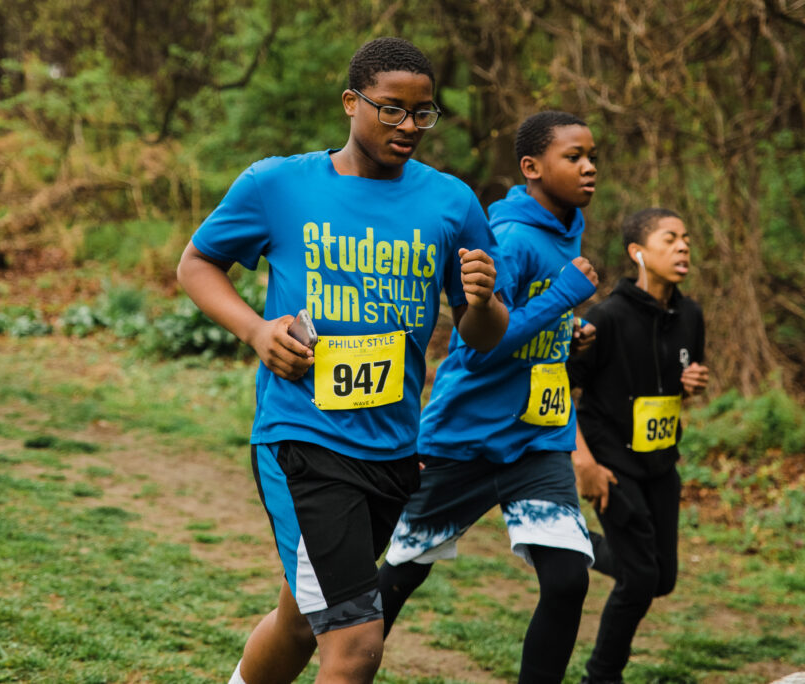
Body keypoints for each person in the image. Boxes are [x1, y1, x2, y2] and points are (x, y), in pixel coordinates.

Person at [176, 37, 509, 684]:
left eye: (423, 112)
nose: (408, 126)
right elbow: (197, 264)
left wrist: (483, 300)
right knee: (355, 644)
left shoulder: (452, 202)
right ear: (351, 103)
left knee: (302, 618)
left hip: (390, 450)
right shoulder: (278, 184)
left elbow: (485, 334)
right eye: (390, 110)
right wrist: (254, 331)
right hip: (302, 437)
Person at [377, 110, 601, 684]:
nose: (590, 167)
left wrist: (565, 335)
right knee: (402, 573)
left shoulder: (566, 231)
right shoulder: (511, 237)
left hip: (537, 442)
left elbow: (530, 336)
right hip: (464, 440)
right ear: (531, 168)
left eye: (592, 155)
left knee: (568, 579)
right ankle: (342, 664)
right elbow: (479, 348)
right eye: (573, 157)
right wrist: (562, 298)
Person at [569, 208, 708, 684]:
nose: (683, 246)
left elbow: (681, 381)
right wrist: (582, 459)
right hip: (611, 459)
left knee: (662, 578)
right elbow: (565, 391)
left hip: (661, 463)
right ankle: (600, 677)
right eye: (670, 239)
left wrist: (690, 385)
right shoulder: (605, 318)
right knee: (639, 580)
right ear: (638, 253)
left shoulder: (690, 315)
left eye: (686, 238)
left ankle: (572, 547)